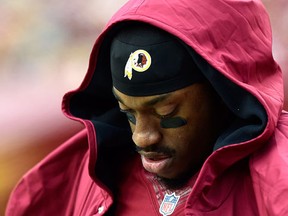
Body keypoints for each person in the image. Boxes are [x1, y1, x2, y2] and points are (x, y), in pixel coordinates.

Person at [6, 0, 288, 215]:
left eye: (167, 113)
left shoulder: (279, 180)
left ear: (223, 92)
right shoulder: (67, 182)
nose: (142, 136)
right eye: (128, 113)